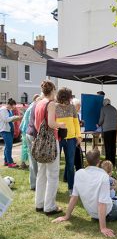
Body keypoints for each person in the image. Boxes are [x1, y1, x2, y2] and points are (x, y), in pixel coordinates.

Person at [52, 149, 117, 237]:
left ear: (87, 161)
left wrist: (66, 216)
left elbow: (74, 197)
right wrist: (103, 228)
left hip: (94, 213)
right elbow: (101, 204)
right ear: (99, 162)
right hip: (110, 213)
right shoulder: (103, 176)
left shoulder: (79, 173)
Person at [34, 80, 65, 215]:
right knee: (52, 175)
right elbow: (52, 123)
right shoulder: (50, 104)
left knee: (41, 174)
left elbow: (37, 124)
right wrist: (62, 124)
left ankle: (39, 204)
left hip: (40, 141)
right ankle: (50, 206)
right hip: (51, 142)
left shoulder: (39, 103)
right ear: (52, 90)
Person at [56, 88, 82, 196]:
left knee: (70, 164)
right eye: (70, 95)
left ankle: (71, 187)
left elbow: (76, 123)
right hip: (58, 138)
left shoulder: (72, 107)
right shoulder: (55, 107)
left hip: (71, 139)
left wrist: (78, 136)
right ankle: (54, 187)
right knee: (55, 165)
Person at [0, 98, 22, 168]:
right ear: (9, 104)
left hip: (9, 130)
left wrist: (15, 118)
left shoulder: (8, 110)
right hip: (5, 130)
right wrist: (15, 117)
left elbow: (10, 119)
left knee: (7, 146)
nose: (13, 108)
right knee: (9, 147)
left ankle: (6, 161)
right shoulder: (3, 110)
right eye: (13, 107)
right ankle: (10, 163)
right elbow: (6, 119)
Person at [20, 94, 40, 170]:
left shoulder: (31, 105)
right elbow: (30, 120)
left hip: (25, 128)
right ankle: (23, 163)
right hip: (27, 129)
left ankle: (24, 162)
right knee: (26, 147)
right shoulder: (33, 107)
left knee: (25, 147)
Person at [25, 94, 41, 190]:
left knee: (32, 161)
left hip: (29, 133)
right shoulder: (38, 106)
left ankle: (33, 184)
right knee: (35, 161)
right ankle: (36, 184)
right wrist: (36, 138)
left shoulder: (33, 105)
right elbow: (36, 124)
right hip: (33, 135)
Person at [98, 98, 117, 165]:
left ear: (104, 103)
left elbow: (101, 119)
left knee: (107, 145)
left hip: (107, 130)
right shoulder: (114, 109)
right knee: (113, 145)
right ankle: (113, 161)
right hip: (114, 129)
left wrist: (98, 124)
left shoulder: (103, 108)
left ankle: (108, 161)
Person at [72, 98, 84, 171]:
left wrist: (80, 123)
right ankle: (79, 169)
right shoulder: (72, 113)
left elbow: (77, 124)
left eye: (79, 106)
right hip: (74, 137)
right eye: (78, 106)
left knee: (78, 156)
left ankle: (79, 169)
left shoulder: (77, 114)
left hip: (77, 137)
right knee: (78, 156)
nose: (79, 108)